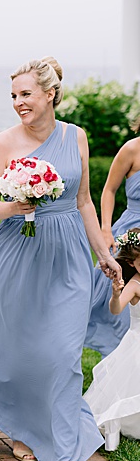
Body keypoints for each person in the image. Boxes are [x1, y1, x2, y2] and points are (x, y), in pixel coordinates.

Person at [0, 58, 121, 461]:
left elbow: (84, 202)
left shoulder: (76, 136)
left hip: (69, 255)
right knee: (19, 348)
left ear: (50, 94)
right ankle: (23, 424)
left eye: (26, 94)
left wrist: (103, 254)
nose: (19, 103)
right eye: (14, 96)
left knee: (61, 355)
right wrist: (17, 204)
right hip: (19, 252)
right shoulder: (3, 143)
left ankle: (64, 458)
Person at [84, 132, 140, 355]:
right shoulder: (132, 149)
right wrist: (105, 228)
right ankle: (119, 358)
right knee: (115, 293)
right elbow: (109, 189)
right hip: (131, 235)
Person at [85, 230, 140, 450]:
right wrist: (116, 295)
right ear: (131, 263)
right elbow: (116, 310)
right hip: (137, 344)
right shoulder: (135, 285)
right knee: (127, 388)